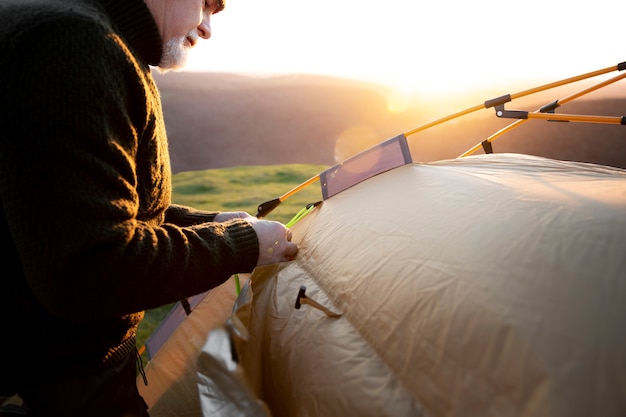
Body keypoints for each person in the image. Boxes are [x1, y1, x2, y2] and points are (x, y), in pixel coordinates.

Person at [0, 0, 298, 415]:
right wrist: (241, 245)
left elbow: (76, 206)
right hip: (54, 387)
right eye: (207, 5)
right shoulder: (75, 45)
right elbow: (91, 268)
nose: (208, 28)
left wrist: (208, 222)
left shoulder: (86, 33)